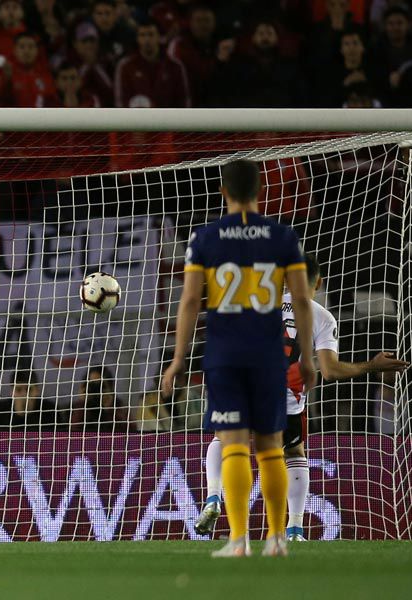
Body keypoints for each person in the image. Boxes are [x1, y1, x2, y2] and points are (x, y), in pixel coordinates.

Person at [161, 159, 316, 557]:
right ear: (260, 190)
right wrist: (310, 358)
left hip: (226, 353)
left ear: (223, 191)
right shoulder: (283, 237)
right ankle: (279, 539)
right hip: (268, 356)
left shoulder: (206, 237)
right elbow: (300, 298)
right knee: (270, 448)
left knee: (233, 445)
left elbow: (192, 299)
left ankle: (238, 540)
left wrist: (178, 358)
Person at [195, 254, 408, 541]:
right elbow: (331, 370)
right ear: (318, 283)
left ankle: (212, 498)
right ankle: (294, 528)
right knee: (294, 454)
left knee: (223, 439)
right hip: (287, 399)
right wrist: (371, 365)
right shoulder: (321, 316)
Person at [114, 19, 190, 108]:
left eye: (151, 34)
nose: (147, 39)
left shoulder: (175, 66)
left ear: (159, 37)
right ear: (137, 39)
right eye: (142, 35)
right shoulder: (125, 66)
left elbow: (183, 99)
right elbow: (121, 101)